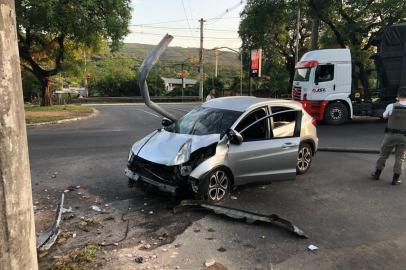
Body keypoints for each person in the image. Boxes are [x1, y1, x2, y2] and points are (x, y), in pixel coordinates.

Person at [372, 87, 406, 185]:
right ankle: (396, 179)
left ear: (398, 96)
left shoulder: (391, 106)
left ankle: (377, 175)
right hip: (404, 137)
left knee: (383, 155)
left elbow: (384, 116)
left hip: (390, 135)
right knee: (400, 158)